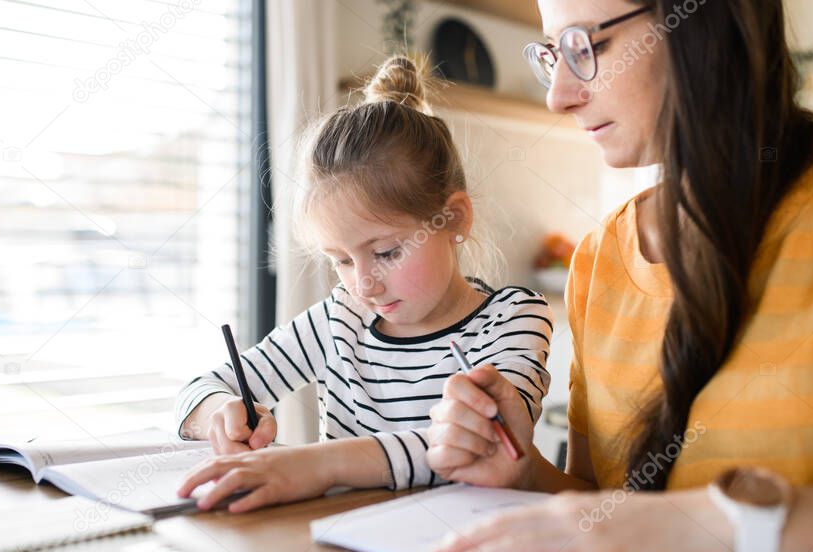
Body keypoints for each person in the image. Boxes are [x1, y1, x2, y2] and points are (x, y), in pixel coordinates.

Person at [427, 0, 813, 552]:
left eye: (584, 47)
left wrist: (721, 530)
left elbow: (668, 529)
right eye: (552, 55)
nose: (558, 96)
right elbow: (610, 511)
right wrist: (525, 472)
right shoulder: (599, 261)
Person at [174, 55, 553, 513]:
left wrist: (319, 465)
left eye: (387, 252)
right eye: (340, 261)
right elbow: (201, 387)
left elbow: (482, 445)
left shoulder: (512, 319)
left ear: (453, 218)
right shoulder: (342, 318)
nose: (365, 285)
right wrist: (221, 414)